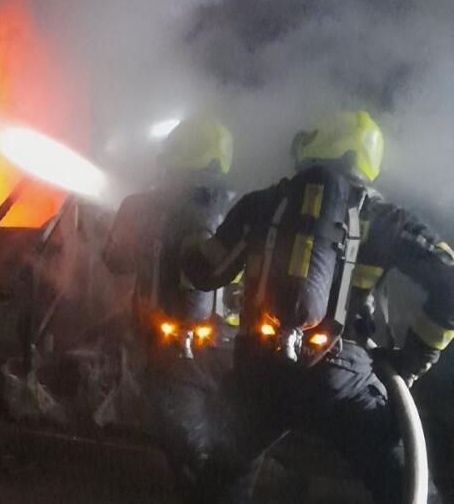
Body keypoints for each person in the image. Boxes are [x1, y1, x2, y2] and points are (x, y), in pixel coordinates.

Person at [182, 111, 454, 503]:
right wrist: (410, 361)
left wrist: (188, 232)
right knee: (408, 486)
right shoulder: (386, 220)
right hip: (341, 378)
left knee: (221, 482)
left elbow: (203, 273)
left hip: (259, 372)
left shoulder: (262, 204)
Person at [102, 116, 237, 492]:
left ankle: (207, 487)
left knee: (188, 442)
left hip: (169, 347)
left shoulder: (141, 207)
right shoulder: (239, 209)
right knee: (224, 432)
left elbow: (115, 261)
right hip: (231, 348)